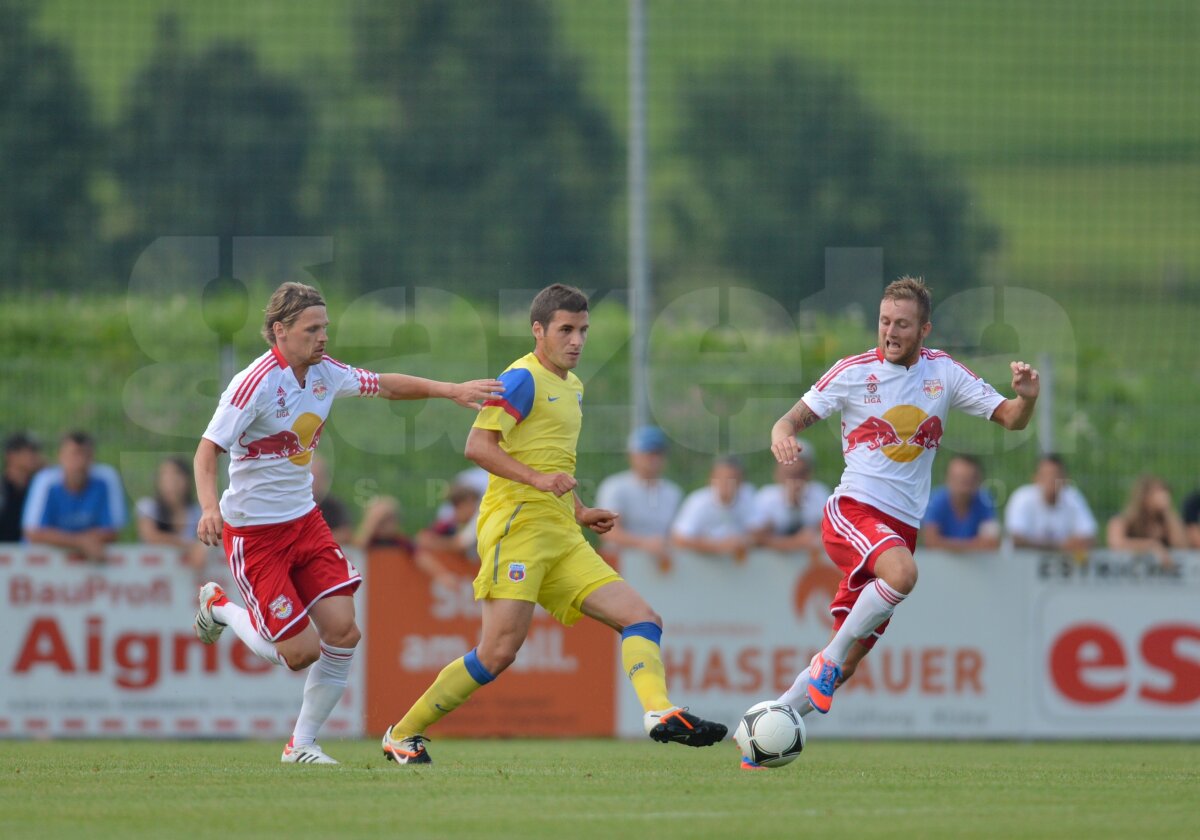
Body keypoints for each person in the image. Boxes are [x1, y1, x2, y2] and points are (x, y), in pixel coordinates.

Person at [381, 284, 726, 766]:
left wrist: (580, 509)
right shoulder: (522, 378)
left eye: (583, 330)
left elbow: (552, 460)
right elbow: (477, 447)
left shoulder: (573, 386)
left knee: (643, 618)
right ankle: (402, 733)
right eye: (566, 329)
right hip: (516, 530)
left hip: (563, 532)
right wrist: (537, 480)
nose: (577, 340)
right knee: (498, 652)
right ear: (538, 330)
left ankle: (659, 712)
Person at [191, 281, 501, 766]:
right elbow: (207, 451)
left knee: (343, 633)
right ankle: (220, 608)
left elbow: (386, 385)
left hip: (305, 523)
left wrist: (450, 390)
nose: (323, 337)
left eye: (325, 327)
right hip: (255, 536)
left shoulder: (325, 374)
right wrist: (209, 508)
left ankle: (302, 745)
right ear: (280, 331)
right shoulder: (253, 384)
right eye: (312, 329)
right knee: (298, 653)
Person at [765, 276, 1038, 745]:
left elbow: (1011, 419)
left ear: (925, 330)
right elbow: (788, 419)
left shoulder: (943, 373)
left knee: (849, 662)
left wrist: (1028, 397)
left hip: (900, 528)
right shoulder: (852, 371)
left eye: (903, 324)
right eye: (885, 321)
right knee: (902, 576)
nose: (890, 332)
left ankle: (767, 725)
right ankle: (826, 659)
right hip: (853, 512)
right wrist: (781, 434)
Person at [23, 431, 127, 562]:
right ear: (60, 457)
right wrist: (81, 543)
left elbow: (112, 530)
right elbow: (33, 532)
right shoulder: (45, 481)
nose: (80, 462)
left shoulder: (106, 479)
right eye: (74, 454)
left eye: (86, 455)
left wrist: (74, 542)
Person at [595, 426, 683, 572]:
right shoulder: (615, 487)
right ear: (633, 455)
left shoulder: (673, 492)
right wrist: (644, 544)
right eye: (648, 453)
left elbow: (679, 534)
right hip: (620, 567)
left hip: (661, 569)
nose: (653, 459)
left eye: (658, 453)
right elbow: (609, 533)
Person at [671, 456, 762, 561]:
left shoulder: (748, 497)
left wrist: (745, 541)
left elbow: (760, 532)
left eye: (732, 478)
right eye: (721, 477)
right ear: (711, 479)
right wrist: (717, 546)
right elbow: (678, 538)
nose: (725, 483)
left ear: (741, 481)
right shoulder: (698, 501)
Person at [1004, 454, 1097, 552]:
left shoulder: (1073, 498)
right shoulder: (1022, 498)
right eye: (1045, 475)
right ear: (1035, 478)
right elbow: (1016, 539)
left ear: (1065, 479)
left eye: (1056, 475)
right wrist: (1060, 546)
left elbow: (1090, 538)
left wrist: (1036, 544)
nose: (1051, 480)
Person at [752, 447, 831, 553]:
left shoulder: (819, 493)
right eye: (789, 474)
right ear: (777, 474)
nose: (794, 481)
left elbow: (831, 532)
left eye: (799, 474)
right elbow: (756, 538)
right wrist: (795, 542)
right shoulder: (766, 497)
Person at [135, 456, 206, 568]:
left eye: (176, 475)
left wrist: (203, 547)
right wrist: (189, 546)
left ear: (187, 480)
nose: (170, 481)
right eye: (164, 476)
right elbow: (150, 536)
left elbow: (215, 535)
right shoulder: (148, 507)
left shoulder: (197, 511)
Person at [921, 454, 1001, 552]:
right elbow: (930, 542)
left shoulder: (985, 500)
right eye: (958, 478)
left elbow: (991, 543)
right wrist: (974, 545)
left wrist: (946, 545)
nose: (963, 485)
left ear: (978, 480)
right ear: (947, 479)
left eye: (968, 479)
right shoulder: (936, 500)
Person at [1106, 474, 1186, 565]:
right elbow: (1116, 543)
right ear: (1144, 496)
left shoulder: (1166, 522)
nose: (1164, 497)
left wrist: (1168, 512)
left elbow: (1181, 546)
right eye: (1158, 492)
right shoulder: (1124, 520)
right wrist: (1151, 546)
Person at [414, 482, 482, 587]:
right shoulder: (450, 523)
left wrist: (435, 543)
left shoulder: (480, 516)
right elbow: (422, 538)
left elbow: (460, 545)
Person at [0, 432, 44, 542]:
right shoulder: (3, 489)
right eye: (30, 451)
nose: (35, 456)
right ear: (11, 455)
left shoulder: (38, 488)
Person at [310, 456, 353, 544]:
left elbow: (345, 534)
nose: (315, 483)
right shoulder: (293, 506)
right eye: (313, 477)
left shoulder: (334, 505)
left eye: (319, 477)